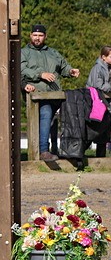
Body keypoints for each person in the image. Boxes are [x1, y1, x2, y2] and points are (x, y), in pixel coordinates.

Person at [20, 23, 79, 162]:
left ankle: (68, 149)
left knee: (72, 112)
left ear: (45, 36)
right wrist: (40, 74)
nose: (37, 38)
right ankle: (43, 151)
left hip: (55, 94)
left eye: (40, 35)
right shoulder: (24, 52)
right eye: (35, 35)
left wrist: (70, 71)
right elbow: (22, 70)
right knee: (46, 113)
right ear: (30, 36)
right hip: (38, 95)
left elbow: (63, 66)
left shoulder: (52, 52)